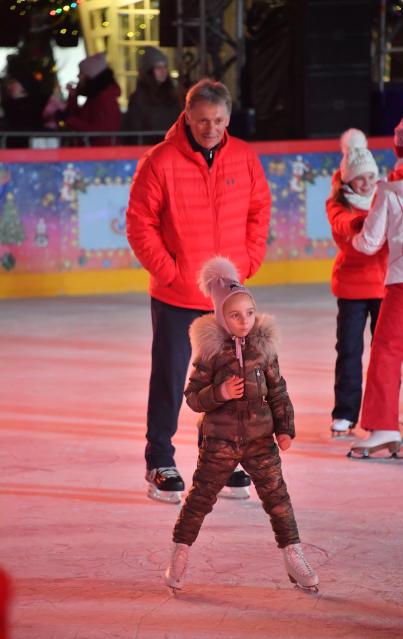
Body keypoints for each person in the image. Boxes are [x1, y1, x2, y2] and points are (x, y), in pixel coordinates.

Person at [126, 78, 271, 503]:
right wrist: (170, 271)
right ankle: (160, 461)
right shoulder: (160, 161)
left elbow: (259, 211)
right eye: (203, 120)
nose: (211, 128)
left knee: (230, 381)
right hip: (176, 292)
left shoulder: (244, 158)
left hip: (227, 294)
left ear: (228, 117)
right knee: (170, 377)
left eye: (219, 120)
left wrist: (247, 263)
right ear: (188, 116)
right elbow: (140, 223)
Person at [164, 256, 319, 593]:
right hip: (219, 442)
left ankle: (293, 554)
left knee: (278, 499)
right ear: (222, 317)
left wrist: (284, 428)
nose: (244, 321)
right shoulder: (211, 353)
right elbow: (192, 397)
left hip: (259, 439)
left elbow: (278, 390)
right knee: (200, 499)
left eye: (249, 313)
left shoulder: (264, 351)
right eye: (235, 315)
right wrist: (218, 392)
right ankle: (180, 551)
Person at [349, 103, 403, 458]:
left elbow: (368, 243)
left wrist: (353, 231)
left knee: (387, 349)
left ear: (399, 148)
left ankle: (383, 427)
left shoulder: (391, 187)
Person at [326, 129, 388, 437]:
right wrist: (366, 220)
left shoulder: (385, 197)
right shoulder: (339, 203)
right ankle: (345, 414)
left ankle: (383, 413)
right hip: (352, 289)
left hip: (385, 287)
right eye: (359, 178)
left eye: (370, 177)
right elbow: (342, 226)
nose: (366, 183)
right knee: (349, 351)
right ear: (349, 179)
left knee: (385, 354)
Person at [123, 46, 181, 144]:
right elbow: (134, 129)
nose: (163, 71)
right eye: (158, 67)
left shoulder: (172, 95)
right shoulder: (139, 98)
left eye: (165, 67)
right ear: (149, 71)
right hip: (148, 148)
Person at [63, 52, 121, 146]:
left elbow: (100, 131)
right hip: (95, 150)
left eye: (82, 73)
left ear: (91, 77)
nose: (78, 76)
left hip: (101, 153)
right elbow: (82, 117)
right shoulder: (95, 97)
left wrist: (70, 120)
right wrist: (73, 97)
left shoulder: (104, 99)